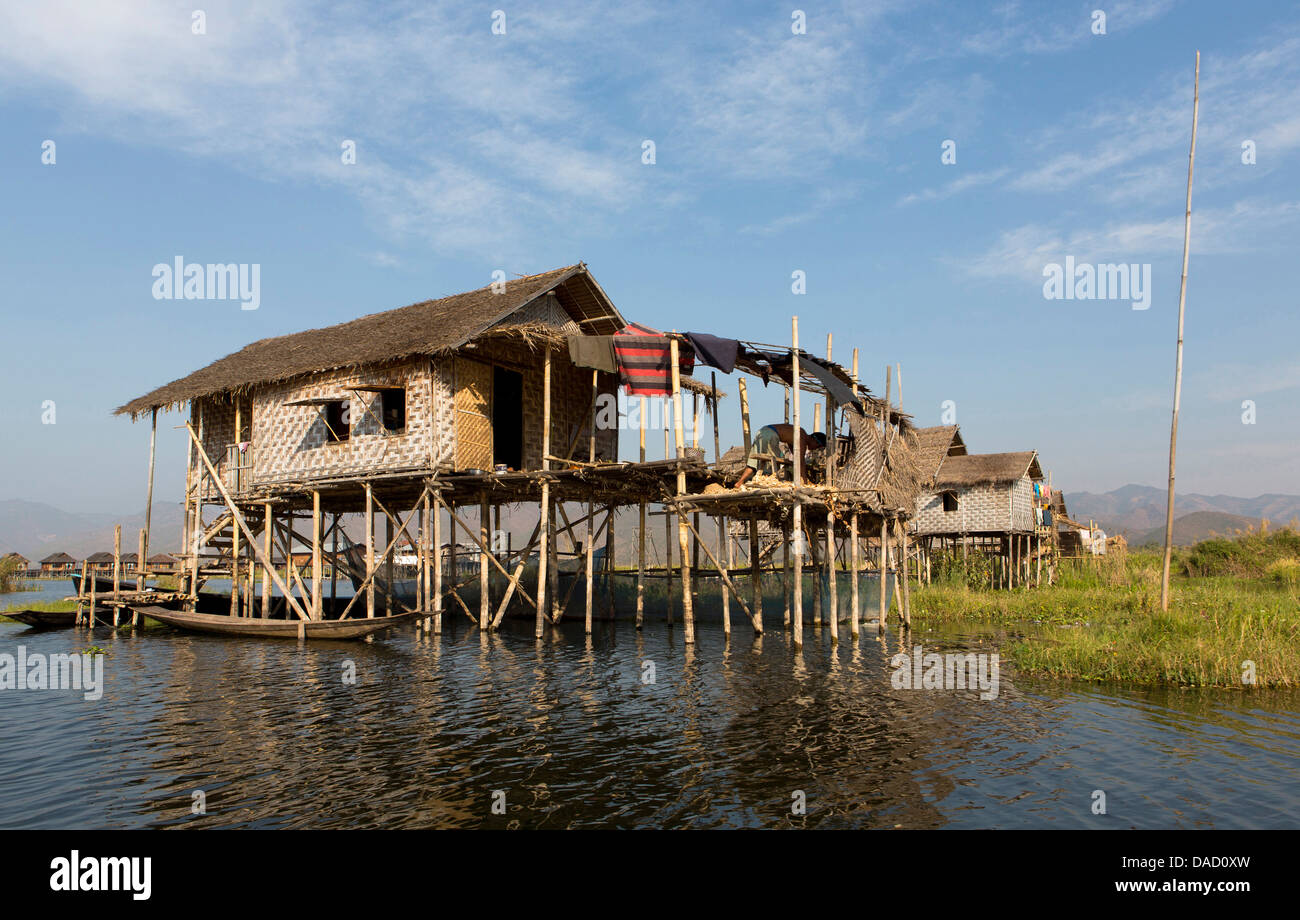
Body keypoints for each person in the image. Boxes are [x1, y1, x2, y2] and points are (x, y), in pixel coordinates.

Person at [733, 425, 826, 487]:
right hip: (771, 434)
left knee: (753, 462)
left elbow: (793, 449)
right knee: (773, 462)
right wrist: (805, 483)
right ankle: (767, 483)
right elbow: (801, 463)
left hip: (763, 431)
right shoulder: (802, 439)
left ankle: (739, 482)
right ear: (814, 440)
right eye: (817, 446)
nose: (815, 449)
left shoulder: (800, 432)